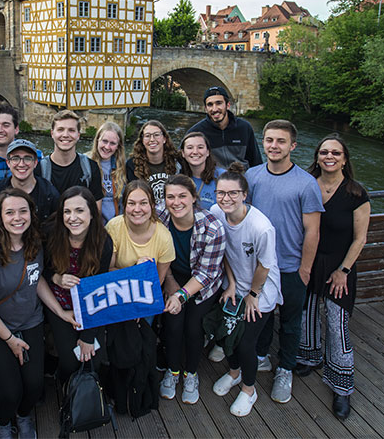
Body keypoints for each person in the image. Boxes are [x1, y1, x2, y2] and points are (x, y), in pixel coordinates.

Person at [0, 189, 78, 439]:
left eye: (23, 211)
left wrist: (60, 312)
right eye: (10, 212)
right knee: (10, 391)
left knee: (34, 386)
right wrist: (10, 339)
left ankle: (23, 415)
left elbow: (36, 279)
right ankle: (3, 421)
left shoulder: (35, 244)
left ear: (31, 213)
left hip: (30, 322)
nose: (17, 217)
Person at [246, 120, 323, 404]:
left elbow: (312, 230)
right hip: (261, 266)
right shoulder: (253, 176)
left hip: (291, 266)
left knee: (291, 322)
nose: (273, 146)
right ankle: (261, 356)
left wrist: (305, 269)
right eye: (269, 140)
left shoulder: (305, 183)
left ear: (292, 146)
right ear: (263, 142)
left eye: (280, 141)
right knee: (262, 317)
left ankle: (286, 369)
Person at [296, 135, 370, 420]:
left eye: (335, 153)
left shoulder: (355, 193)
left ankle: (342, 386)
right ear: (316, 156)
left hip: (339, 267)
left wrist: (344, 270)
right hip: (309, 261)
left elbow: (360, 238)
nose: (329, 156)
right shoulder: (306, 185)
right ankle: (310, 357)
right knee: (307, 313)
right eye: (324, 152)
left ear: (344, 159)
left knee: (337, 325)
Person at [209, 163, 282, 417]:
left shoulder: (261, 227)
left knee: (245, 343)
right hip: (235, 284)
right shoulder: (216, 213)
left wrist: (252, 294)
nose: (225, 198)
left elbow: (265, 264)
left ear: (244, 195)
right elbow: (223, 251)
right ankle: (233, 373)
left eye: (232, 193)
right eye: (221, 193)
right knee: (227, 335)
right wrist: (230, 283)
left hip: (260, 290)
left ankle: (249, 390)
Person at [157, 175, 225, 405]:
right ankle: (173, 370)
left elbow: (206, 274)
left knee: (193, 327)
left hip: (203, 283)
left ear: (194, 198)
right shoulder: (160, 217)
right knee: (173, 324)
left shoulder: (212, 227)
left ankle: (192, 373)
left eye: (182, 196)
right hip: (173, 273)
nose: (176, 202)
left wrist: (180, 295)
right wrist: (169, 281)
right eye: (170, 197)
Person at [43, 187, 113, 383]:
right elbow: (39, 270)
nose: (73, 218)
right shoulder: (50, 235)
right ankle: (66, 392)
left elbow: (100, 288)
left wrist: (88, 336)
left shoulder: (103, 242)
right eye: (67, 211)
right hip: (59, 302)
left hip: (91, 306)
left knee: (94, 360)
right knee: (70, 361)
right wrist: (55, 277)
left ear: (92, 213)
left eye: (80, 211)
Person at [106, 180, 174, 285]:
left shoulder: (164, 237)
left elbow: (158, 281)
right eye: (131, 203)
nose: (137, 209)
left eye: (143, 203)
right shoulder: (113, 227)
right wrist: (136, 270)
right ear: (124, 205)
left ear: (152, 205)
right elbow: (107, 271)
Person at [38, 110, 103, 212]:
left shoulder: (91, 168)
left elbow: (96, 212)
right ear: (52, 133)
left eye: (71, 130)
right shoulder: (40, 169)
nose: (65, 135)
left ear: (78, 135)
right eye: (60, 129)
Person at [186, 86, 262, 169]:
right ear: (206, 109)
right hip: (213, 180)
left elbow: (256, 162)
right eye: (210, 105)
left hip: (242, 179)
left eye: (219, 103)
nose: (214, 109)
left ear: (228, 105)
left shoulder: (244, 128)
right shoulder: (197, 132)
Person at [0, 139, 59, 223]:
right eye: (15, 158)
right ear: (8, 163)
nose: (21, 164)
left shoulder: (50, 194)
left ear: (35, 163)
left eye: (27, 158)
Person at [126, 120, 181, 205]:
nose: (152, 139)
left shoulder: (177, 161)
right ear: (142, 140)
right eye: (147, 136)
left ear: (164, 139)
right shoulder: (132, 164)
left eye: (156, 135)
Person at [87, 122, 126, 224]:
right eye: (104, 141)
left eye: (112, 143)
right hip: (93, 224)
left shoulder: (122, 167)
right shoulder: (86, 163)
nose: (107, 147)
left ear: (118, 146)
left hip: (116, 224)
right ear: (97, 140)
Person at [178, 131, 226, 212]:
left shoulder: (223, 177)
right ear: (183, 153)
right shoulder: (179, 178)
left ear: (207, 152)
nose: (195, 152)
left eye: (200, 147)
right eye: (190, 148)